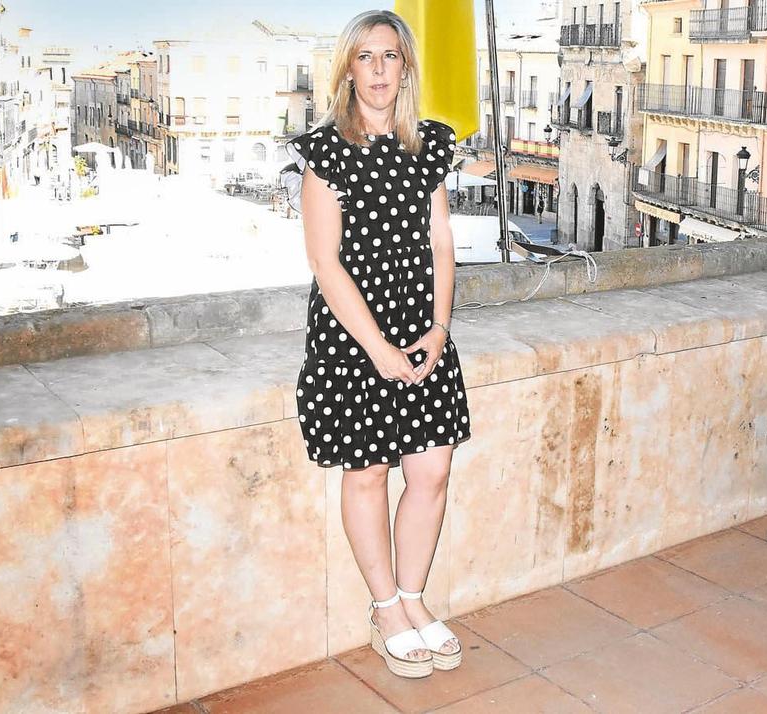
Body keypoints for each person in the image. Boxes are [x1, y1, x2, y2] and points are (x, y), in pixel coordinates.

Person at [281, 9, 471, 678]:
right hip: (353, 340)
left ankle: (415, 598)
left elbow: (443, 242)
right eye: (366, 57)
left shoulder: (432, 145)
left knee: (431, 472)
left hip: (424, 329)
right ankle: (385, 607)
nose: (381, 69)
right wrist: (379, 351)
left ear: (406, 66)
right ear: (348, 69)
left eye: (391, 55)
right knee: (365, 475)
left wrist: (439, 329)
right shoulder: (325, 151)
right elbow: (325, 263)